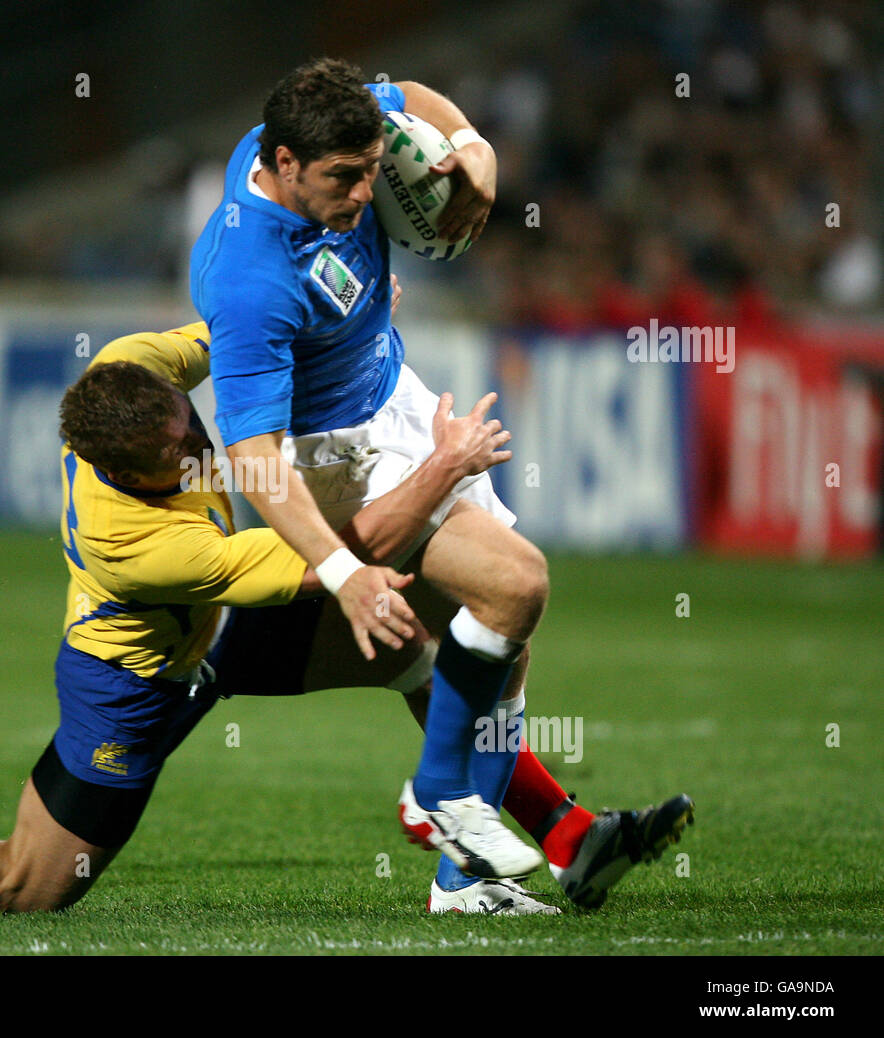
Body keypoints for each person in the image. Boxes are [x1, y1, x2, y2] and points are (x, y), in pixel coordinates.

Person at [0, 323, 689, 918]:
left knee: (427, 639)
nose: (201, 445)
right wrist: (444, 466)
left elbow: (239, 336)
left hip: (219, 631)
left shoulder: (134, 377)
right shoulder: (139, 541)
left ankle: (544, 832)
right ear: (131, 476)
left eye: (189, 421)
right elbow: (339, 554)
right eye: (180, 453)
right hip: (138, 681)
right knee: (31, 883)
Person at [190, 57, 692, 910]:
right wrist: (345, 574)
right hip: (332, 455)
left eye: (370, 172)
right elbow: (258, 461)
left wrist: (471, 147)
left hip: (396, 394)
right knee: (514, 585)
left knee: (500, 639)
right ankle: (442, 797)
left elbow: (412, 98)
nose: (361, 196)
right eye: (341, 181)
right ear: (280, 165)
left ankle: (509, 859)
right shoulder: (248, 278)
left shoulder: (330, 120)